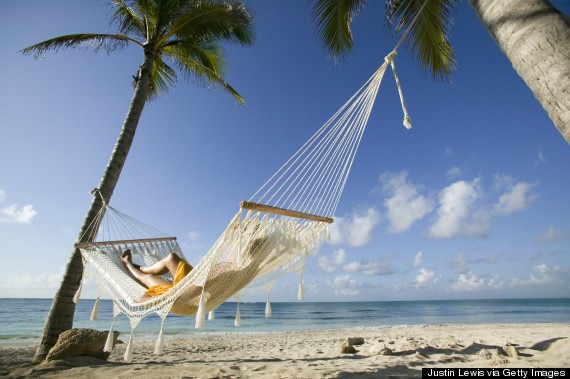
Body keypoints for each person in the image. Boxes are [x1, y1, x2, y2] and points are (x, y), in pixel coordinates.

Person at [121, 249, 193, 303]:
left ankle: (128, 265)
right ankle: (142, 269)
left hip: (183, 297)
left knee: (148, 278)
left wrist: (150, 300)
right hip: (193, 282)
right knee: (172, 257)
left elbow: (180, 300)